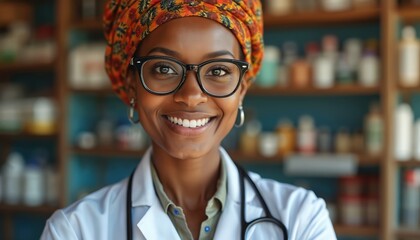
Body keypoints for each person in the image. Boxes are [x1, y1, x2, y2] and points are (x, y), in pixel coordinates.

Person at [41, 0, 336, 239]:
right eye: (164, 69)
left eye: (218, 71)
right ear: (133, 85)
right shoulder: (75, 230)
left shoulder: (301, 219)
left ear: (242, 90)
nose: (192, 95)